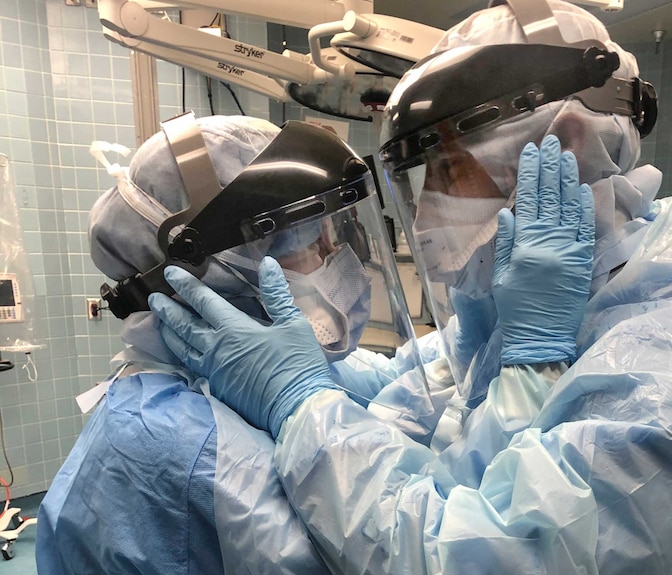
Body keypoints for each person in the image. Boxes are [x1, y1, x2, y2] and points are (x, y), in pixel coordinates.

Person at [151, 2, 672, 574]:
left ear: (566, 145)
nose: (425, 214)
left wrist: (301, 404)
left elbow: (471, 556)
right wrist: (309, 373)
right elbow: (423, 390)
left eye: (450, 170)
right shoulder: (539, 298)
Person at [36, 112, 429, 574]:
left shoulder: (264, 373)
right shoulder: (182, 443)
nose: (334, 256)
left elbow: (403, 386)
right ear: (210, 265)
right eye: (313, 241)